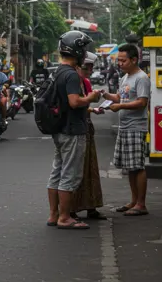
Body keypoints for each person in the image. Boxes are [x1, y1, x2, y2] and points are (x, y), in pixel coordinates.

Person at [46, 31, 101, 230]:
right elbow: (74, 102)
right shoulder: (70, 75)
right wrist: (91, 98)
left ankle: (54, 215)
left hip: (60, 129)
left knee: (57, 173)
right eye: (83, 48)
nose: (85, 52)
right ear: (76, 50)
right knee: (70, 174)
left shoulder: (57, 71)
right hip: (72, 130)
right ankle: (64, 217)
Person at [101, 44, 151, 216]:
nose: (120, 64)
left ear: (134, 59)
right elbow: (119, 97)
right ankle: (134, 200)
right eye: (119, 60)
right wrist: (106, 96)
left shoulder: (141, 78)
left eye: (123, 60)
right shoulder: (124, 78)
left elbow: (142, 102)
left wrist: (120, 106)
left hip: (136, 126)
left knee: (137, 166)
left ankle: (141, 204)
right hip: (125, 126)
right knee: (130, 167)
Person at [71, 52, 106, 221]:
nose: (90, 71)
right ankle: (70, 209)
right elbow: (73, 104)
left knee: (90, 168)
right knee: (75, 169)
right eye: (87, 68)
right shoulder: (72, 81)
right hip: (74, 128)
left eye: (91, 68)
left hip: (86, 126)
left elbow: (83, 105)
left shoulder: (85, 82)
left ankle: (91, 206)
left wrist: (92, 108)